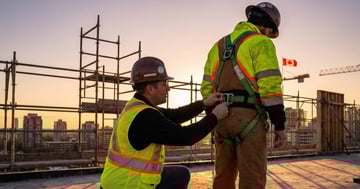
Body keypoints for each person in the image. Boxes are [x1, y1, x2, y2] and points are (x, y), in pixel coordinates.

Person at [100, 56, 229, 189]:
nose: (168, 88)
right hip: (128, 184)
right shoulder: (146, 117)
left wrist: (204, 103)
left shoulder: (137, 107)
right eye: (164, 84)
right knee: (180, 176)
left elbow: (175, 115)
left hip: (115, 181)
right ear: (150, 89)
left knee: (181, 174)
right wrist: (215, 117)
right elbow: (186, 136)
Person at [200, 2, 287, 189]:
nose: (268, 36)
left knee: (222, 179)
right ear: (265, 27)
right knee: (252, 181)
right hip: (250, 119)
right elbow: (270, 87)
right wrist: (279, 125)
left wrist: (213, 118)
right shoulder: (261, 42)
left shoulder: (218, 46)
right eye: (270, 33)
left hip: (221, 118)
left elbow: (207, 88)